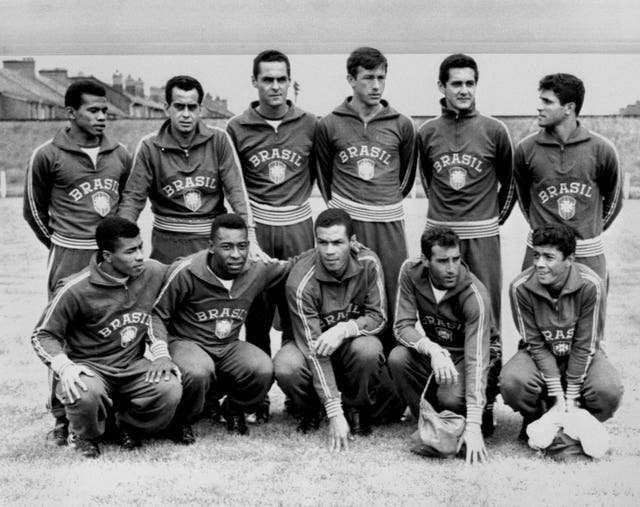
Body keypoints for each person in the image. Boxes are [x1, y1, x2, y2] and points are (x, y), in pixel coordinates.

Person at [23, 79, 132, 445]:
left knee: (112, 324)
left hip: (110, 257)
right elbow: (34, 211)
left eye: (105, 111)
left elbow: (125, 207)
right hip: (69, 250)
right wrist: (59, 243)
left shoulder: (121, 154)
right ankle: (61, 416)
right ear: (71, 113)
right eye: (93, 111)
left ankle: (110, 409)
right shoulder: (47, 154)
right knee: (62, 332)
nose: (102, 117)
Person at [30, 217, 182, 458]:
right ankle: (83, 434)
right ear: (107, 256)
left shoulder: (152, 271)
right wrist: (65, 367)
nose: (140, 256)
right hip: (92, 368)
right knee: (83, 392)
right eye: (130, 251)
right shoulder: (75, 288)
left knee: (169, 388)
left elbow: (186, 271)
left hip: (133, 365)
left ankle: (124, 426)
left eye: (140, 247)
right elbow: (43, 334)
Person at [150, 214, 293, 440]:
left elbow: (295, 266)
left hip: (227, 345)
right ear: (212, 247)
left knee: (263, 368)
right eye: (227, 247)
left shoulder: (257, 268)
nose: (236, 254)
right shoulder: (186, 270)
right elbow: (157, 314)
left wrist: (349, 250)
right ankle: (182, 418)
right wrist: (160, 353)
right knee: (198, 370)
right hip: (188, 342)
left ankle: (233, 408)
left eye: (242, 246)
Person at [275, 209, 404, 453]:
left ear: (353, 241)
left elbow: (379, 319)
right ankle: (313, 407)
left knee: (369, 348)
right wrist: (334, 412)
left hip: (348, 348)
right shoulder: (300, 281)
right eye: (322, 243)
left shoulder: (368, 263)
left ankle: (356, 408)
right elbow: (314, 350)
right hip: (310, 347)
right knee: (286, 365)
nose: (329, 251)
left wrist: (345, 329)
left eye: (337, 242)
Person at [315, 47, 417, 355]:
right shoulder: (329, 123)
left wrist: (381, 202)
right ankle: (352, 370)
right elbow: (323, 177)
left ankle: (391, 376)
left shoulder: (402, 123)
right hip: (351, 223)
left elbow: (406, 178)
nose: (376, 86)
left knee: (391, 293)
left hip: (388, 222)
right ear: (351, 79)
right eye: (368, 78)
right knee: (350, 296)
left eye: (381, 78)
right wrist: (347, 214)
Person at [226, 50, 317, 360]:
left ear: (290, 81)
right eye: (267, 79)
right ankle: (257, 397)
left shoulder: (310, 124)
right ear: (255, 82)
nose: (275, 86)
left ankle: (300, 394)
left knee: (300, 308)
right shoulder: (237, 127)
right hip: (259, 227)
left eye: (281, 79)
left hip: (298, 226)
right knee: (257, 314)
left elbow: (323, 175)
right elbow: (233, 184)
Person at [117, 75, 266, 264]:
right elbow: (132, 200)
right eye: (179, 107)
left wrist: (250, 238)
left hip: (211, 242)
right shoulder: (149, 146)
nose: (186, 114)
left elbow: (236, 192)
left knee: (214, 291)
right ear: (167, 108)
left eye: (192, 107)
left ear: (200, 109)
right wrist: (121, 242)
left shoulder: (218, 139)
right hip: (168, 242)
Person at [417, 53, 515, 330]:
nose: (464, 90)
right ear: (441, 86)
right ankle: (443, 370)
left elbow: (511, 185)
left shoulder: (495, 130)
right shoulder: (427, 132)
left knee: (486, 309)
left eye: (470, 83)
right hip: (440, 234)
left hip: (481, 237)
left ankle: (491, 371)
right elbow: (429, 180)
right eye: (456, 84)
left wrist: (491, 220)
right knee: (441, 311)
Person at [501, 224, 623, 439]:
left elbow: (585, 344)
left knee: (608, 390)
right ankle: (536, 416)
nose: (539, 263)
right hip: (540, 355)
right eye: (536, 255)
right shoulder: (520, 286)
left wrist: (572, 395)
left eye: (549, 257)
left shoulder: (591, 284)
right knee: (512, 382)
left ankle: (581, 421)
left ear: (569, 259)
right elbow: (535, 344)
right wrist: (557, 393)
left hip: (581, 354)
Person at [388, 227, 493, 465]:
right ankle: (429, 420)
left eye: (456, 259)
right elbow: (401, 326)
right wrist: (433, 349)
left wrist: (474, 424)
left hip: (470, 355)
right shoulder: (410, 271)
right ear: (425, 260)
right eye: (443, 261)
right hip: (439, 351)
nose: (451, 268)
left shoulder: (474, 296)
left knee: (450, 398)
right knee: (398, 357)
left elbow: (478, 359)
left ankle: (477, 415)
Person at [514, 73, 623, 281]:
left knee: (587, 312)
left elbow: (614, 202)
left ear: (569, 108)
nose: (540, 107)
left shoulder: (602, 149)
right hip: (540, 255)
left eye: (547, 101)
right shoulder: (525, 149)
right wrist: (542, 234)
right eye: (541, 100)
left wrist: (587, 232)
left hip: (586, 254)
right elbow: (524, 199)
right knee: (536, 310)